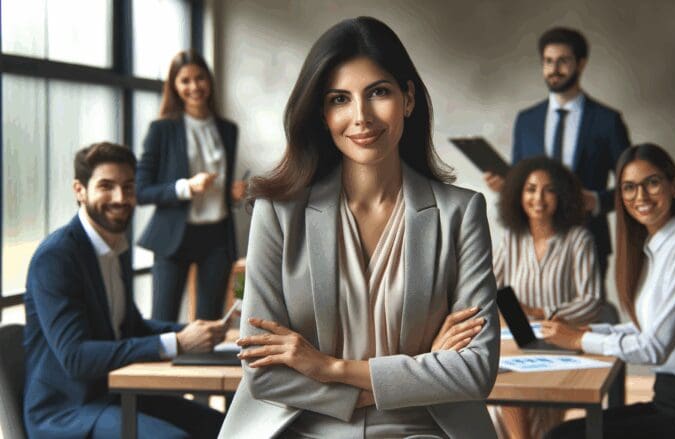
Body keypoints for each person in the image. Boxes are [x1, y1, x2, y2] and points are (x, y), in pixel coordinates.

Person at [218, 16, 500, 438]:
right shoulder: (277, 212)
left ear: (408, 99)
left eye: (379, 92)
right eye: (339, 99)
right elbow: (264, 374)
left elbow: (474, 370)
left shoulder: (461, 213)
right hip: (299, 428)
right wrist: (416, 372)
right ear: (322, 112)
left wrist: (330, 368)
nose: (361, 116)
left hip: (423, 429)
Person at [540, 143, 675, 439]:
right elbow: (651, 328)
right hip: (674, 399)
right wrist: (591, 331)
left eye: (652, 183)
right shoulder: (658, 246)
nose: (641, 196)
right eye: (629, 187)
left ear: (674, 186)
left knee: (563, 437)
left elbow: (653, 347)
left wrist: (579, 340)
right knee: (563, 433)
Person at [23, 142, 227, 438]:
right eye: (106, 186)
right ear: (80, 190)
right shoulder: (56, 257)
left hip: (115, 394)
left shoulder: (115, 246)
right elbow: (76, 357)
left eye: (128, 187)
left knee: (224, 426)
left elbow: (130, 328)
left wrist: (196, 332)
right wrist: (178, 342)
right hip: (68, 411)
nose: (120, 198)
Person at [485, 27, 630, 284]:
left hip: (588, 240)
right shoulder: (526, 121)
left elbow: (631, 184)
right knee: (521, 307)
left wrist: (597, 201)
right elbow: (521, 181)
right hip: (533, 241)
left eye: (563, 61)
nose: (554, 69)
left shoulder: (607, 121)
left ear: (581, 64)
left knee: (582, 309)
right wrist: (507, 187)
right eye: (548, 61)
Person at [489, 157, 602, 439]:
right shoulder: (512, 239)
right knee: (500, 394)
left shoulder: (578, 240)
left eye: (548, 190)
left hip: (558, 340)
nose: (538, 198)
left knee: (539, 417)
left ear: (561, 196)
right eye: (530, 189)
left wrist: (540, 312)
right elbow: (486, 287)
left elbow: (591, 301)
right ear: (518, 195)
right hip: (516, 340)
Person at [136, 49, 245, 321]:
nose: (194, 86)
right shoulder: (162, 130)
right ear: (174, 86)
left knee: (209, 323)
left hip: (217, 237)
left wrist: (232, 194)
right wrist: (187, 187)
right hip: (175, 235)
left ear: (209, 80)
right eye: (185, 80)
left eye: (200, 78)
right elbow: (140, 190)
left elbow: (221, 185)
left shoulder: (228, 130)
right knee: (163, 320)